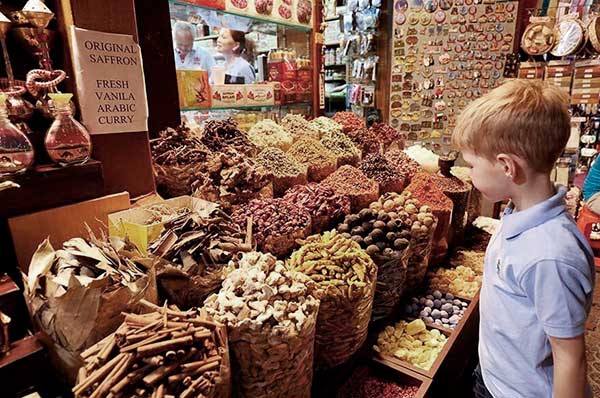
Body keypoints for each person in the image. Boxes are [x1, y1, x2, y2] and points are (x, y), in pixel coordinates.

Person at [452, 80, 594, 398]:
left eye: (472, 165)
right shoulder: (519, 213)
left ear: (506, 166)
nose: (470, 174)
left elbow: (571, 357)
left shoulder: (550, 255)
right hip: (496, 373)